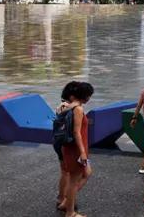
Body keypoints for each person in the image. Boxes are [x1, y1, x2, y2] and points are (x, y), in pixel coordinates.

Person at [60, 82, 94, 217]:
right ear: (84, 95)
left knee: (87, 173)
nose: (90, 98)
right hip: (76, 149)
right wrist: (82, 152)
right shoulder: (78, 109)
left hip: (71, 148)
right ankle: (70, 212)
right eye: (89, 95)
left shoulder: (68, 107)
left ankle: (66, 203)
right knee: (74, 181)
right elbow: (76, 133)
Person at [54, 82, 77, 212]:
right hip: (65, 141)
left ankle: (61, 197)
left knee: (64, 171)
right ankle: (64, 198)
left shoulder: (61, 105)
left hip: (58, 140)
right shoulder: (67, 106)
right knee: (68, 172)